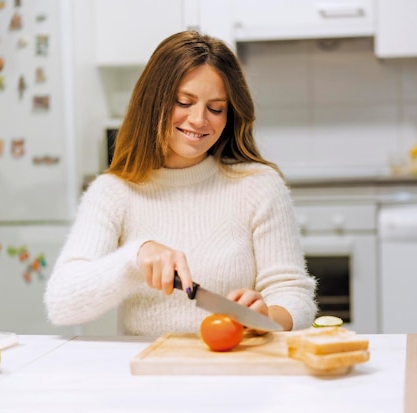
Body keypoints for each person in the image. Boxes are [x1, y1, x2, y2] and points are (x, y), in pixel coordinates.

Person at [44, 30, 317, 336]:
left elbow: (294, 294)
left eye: (216, 108)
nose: (200, 120)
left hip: (238, 369)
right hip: (150, 372)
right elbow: (61, 304)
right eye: (184, 102)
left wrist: (269, 315)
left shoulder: (259, 186)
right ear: (153, 102)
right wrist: (134, 259)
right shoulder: (112, 193)